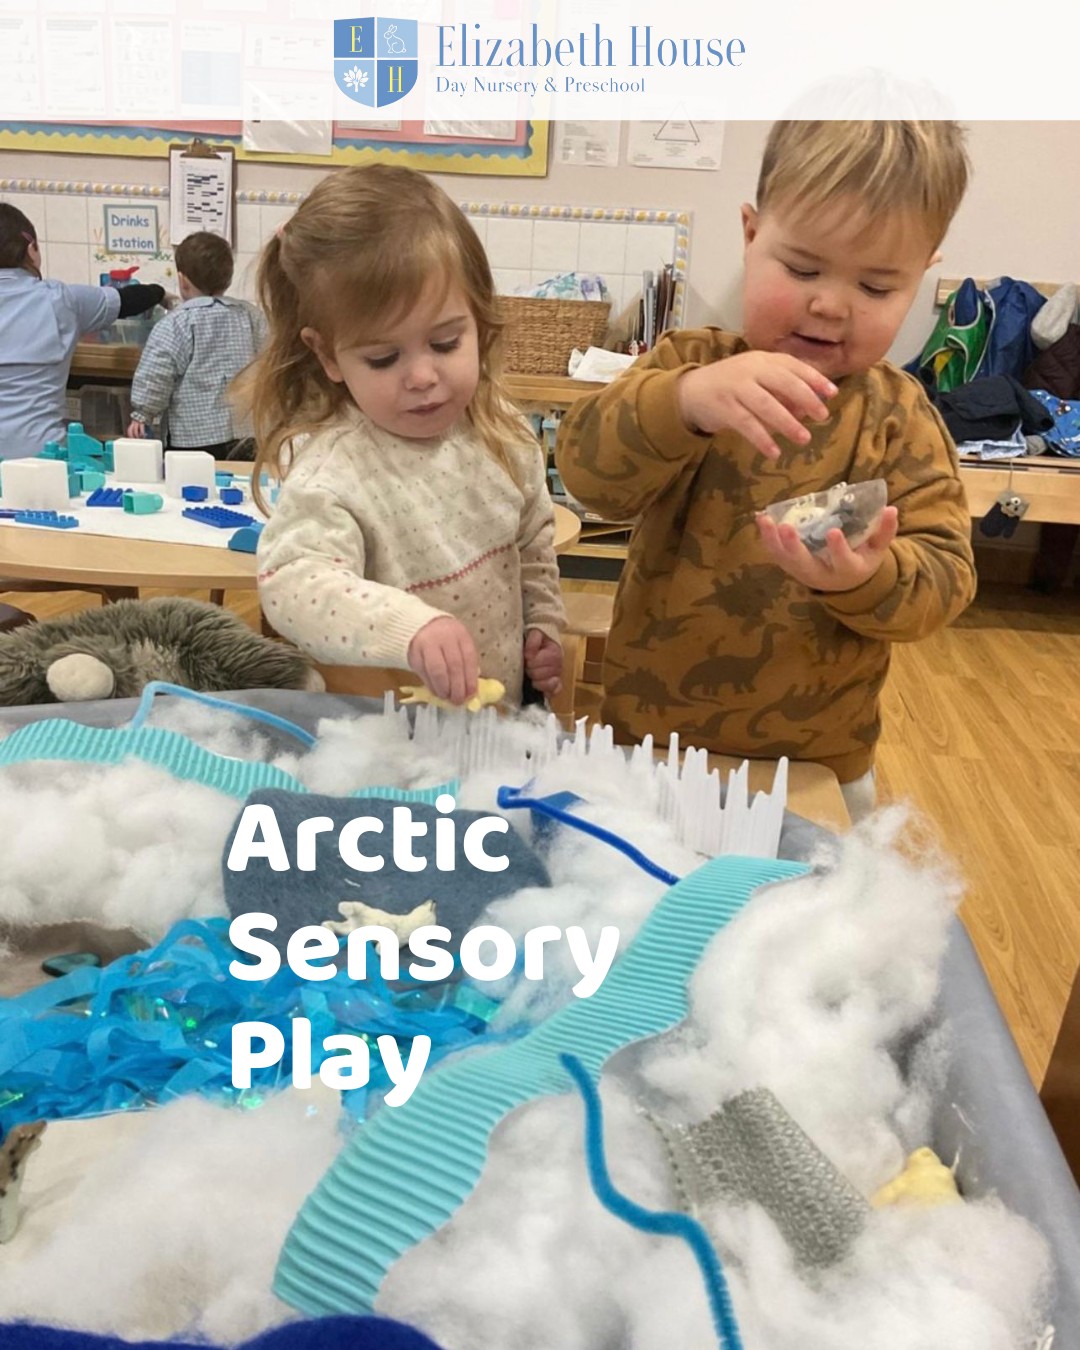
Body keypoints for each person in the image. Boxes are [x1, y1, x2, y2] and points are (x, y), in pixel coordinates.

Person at [556, 121, 978, 819]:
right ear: (751, 236)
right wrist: (683, 403)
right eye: (804, 269)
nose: (830, 304)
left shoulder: (897, 416)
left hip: (816, 767)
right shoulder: (688, 364)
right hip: (647, 746)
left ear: (920, 278)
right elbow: (587, 476)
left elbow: (946, 579)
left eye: (876, 286)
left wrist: (866, 577)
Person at [242, 164, 565, 707]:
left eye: (445, 343)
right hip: (383, 734)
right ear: (328, 355)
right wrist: (409, 628)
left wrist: (543, 623)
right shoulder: (335, 471)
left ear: (479, 322)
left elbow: (532, 538)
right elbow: (293, 584)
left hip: (494, 727)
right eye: (383, 357)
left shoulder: (501, 432)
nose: (421, 376)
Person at [0, 203, 163, 460]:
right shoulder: (60, 300)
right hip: (42, 454)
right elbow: (128, 300)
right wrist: (160, 292)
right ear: (30, 248)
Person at [127, 231, 266, 459]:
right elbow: (270, 358)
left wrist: (143, 413)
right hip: (246, 433)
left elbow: (157, 372)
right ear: (228, 279)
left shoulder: (176, 323)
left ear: (182, 280)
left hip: (192, 438)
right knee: (240, 479)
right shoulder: (251, 316)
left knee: (191, 481)